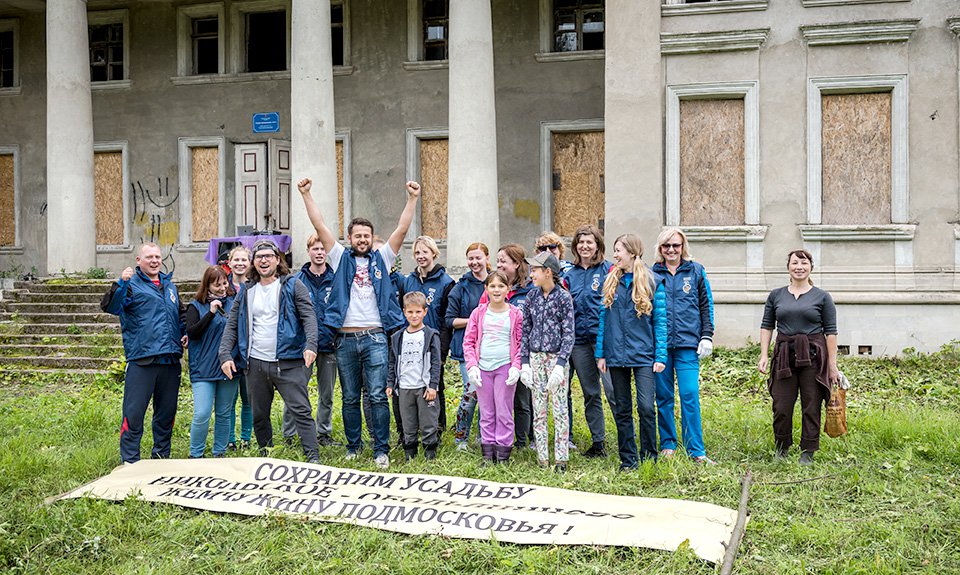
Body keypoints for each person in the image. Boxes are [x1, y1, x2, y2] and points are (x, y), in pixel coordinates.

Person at [297, 177, 420, 469]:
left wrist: (413, 199)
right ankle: (353, 446)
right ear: (349, 238)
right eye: (357, 236)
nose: (363, 240)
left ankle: (381, 449)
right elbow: (320, 227)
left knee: (377, 395)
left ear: (372, 237)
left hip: (376, 337)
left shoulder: (383, 258)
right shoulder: (339, 258)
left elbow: (402, 229)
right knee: (350, 396)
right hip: (345, 339)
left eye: (367, 235)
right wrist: (306, 194)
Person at [218, 240, 320, 464]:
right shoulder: (247, 290)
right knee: (259, 414)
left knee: (300, 410)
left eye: (268, 256)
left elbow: (309, 317)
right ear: (254, 262)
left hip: (288, 360)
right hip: (255, 362)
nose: (264, 260)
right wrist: (225, 354)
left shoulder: (293, 285)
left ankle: (313, 457)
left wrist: (311, 344)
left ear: (277, 259)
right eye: (259, 257)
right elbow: (232, 324)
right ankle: (267, 454)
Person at [100, 243, 186, 464]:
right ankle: (130, 462)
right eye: (149, 257)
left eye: (158, 256)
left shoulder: (169, 286)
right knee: (134, 414)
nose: (155, 260)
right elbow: (111, 307)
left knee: (166, 415)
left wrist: (185, 333)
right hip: (142, 361)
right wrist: (120, 284)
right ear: (139, 260)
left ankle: (160, 458)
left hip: (170, 360)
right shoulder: (130, 285)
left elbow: (179, 316)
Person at [758, 249, 839, 466]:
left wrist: (833, 366)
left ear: (810, 267)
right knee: (781, 405)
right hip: (784, 355)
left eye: (804, 263)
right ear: (788, 267)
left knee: (811, 404)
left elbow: (831, 332)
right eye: (795, 263)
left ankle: (808, 451)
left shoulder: (822, 297)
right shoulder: (776, 295)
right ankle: (782, 447)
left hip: (814, 356)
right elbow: (767, 326)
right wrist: (764, 354)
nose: (799, 267)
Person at [596, 234, 667, 471]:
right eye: (615, 250)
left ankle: (649, 456)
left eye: (619, 251)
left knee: (647, 407)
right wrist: (601, 354)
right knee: (622, 408)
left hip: (644, 356)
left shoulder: (652, 281)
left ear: (632, 253)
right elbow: (603, 320)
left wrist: (660, 356)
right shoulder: (611, 281)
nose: (615, 255)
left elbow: (660, 322)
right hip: (616, 356)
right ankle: (628, 459)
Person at [652, 227, 716, 464]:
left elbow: (705, 305)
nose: (671, 250)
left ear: (683, 247)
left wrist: (707, 335)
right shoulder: (652, 274)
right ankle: (668, 443)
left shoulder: (696, 271)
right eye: (666, 246)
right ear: (660, 248)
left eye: (676, 245)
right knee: (664, 396)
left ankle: (696, 449)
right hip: (661, 347)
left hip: (689, 344)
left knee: (690, 394)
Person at [561, 224, 615, 458]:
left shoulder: (609, 270)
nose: (584, 246)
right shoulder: (568, 275)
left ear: (597, 246)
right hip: (579, 342)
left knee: (614, 391)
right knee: (590, 392)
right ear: (575, 246)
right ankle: (598, 442)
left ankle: (628, 440)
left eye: (589, 242)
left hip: (605, 342)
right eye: (580, 242)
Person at [519, 251, 576, 472]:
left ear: (548, 272)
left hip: (555, 358)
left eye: (535, 270)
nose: (531, 273)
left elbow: (568, 333)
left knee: (560, 408)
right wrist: (525, 362)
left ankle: (561, 458)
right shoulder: (532, 297)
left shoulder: (563, 297)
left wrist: (561, 364)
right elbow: (525, 330)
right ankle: (542, 458)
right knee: (538, 407)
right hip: (535, 357)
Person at [281, 234, 339, 447]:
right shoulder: (296, 281)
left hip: (328, 344)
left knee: (327, 394)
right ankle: (289, 433)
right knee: (296, 390)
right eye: (316, 249)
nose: (320, 253)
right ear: (309, 252)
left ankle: (323, 432)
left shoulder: (336, 279)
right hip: (303, 346)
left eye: (323, 249)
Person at [463, 271, 523, 463]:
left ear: (508, 289)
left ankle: (503, 452)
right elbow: (469, 341)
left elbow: (521, 343)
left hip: (504, 366)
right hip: (483, 368)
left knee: (504, 410)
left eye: (501, 286)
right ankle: (488, 453)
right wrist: (472, 366)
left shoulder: (515, 314)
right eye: (493, 286)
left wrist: (517, 366)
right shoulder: (478, 313)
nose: (496, 290)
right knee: (487, 412)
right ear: (486, 289)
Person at [401, 235, 455, 433]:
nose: (420, 256)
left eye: (425, 252)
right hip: (411, 343)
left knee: (435, 384)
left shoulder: (446, 282)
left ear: (434, 253)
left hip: (434, 342)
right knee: (414, 384)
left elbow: (446, 319)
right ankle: (413, 426)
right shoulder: (409, 281)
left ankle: (438, 426)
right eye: (417, 252)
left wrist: (442, 350)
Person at [183, 266, 237, 458]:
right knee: (202, 413)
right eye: (217, 285)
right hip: (203, 368)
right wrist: (211, 313)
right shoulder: (195, 306)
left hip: (228, 367)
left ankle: (219, 453)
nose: (222, 288)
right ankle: (195, 454)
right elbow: (193, 332)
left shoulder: (233, 302)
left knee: (224, 413)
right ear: (207, 286)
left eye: (224, 283)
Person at [386, 292, 442, 461]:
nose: (414, 315)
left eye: (418, 312)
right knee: (407, 422)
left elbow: (436, 362)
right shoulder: (397, 337)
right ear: (404, 312)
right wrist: (390, 383)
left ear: (425, 311)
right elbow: (392, 362)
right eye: (410, 312)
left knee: (428, 421)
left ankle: (429, 452)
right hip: (404, 387)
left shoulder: (431, 335)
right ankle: (410, 452)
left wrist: (433, 385)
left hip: (424, 387)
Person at [446, 242, 491, 450]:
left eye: (478, 258)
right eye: (470, 258)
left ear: (487, 259)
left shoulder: (495, 283)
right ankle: (460, 438)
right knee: (471, 392)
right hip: (468, 349)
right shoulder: (460, 287)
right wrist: (475, 319)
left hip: (491, 348)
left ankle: (484, 437)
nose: (474, 262)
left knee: (487, 396)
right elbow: (450, 320)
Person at [495, 243, 535, 449]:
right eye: (498, 260)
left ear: (516, 264)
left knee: (523, 399)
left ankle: (525, 440)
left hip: (523, 352)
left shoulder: (529, 291)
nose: (499, 265)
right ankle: (502, 436)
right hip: (499, 354)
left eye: (503, 261)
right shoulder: (495, 288)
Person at [225, 246, 253, 450]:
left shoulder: (255, 287)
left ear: (249, 263)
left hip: (251, 349)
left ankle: (246, 438)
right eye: (237, 260)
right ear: (229, 262)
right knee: (229, 399)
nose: (240, 264)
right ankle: (230, 438)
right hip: (230, 350)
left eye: (244, 260)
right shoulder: (221, 286)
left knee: (249, 398)